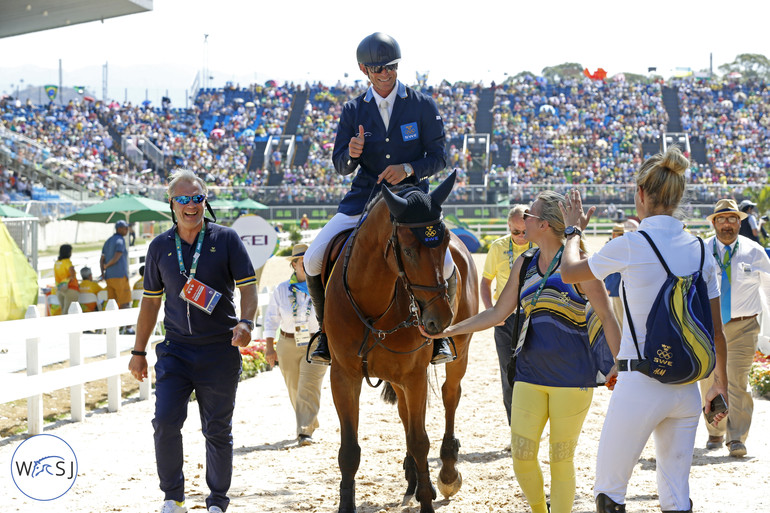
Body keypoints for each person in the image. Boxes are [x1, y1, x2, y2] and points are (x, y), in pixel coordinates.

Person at [422, 191, 620, 513]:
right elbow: (498, 313)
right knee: (522, 456)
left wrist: (618, 364)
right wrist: (448, 330)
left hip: (573, 380)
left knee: (561, 459)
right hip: (529, 374)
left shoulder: (581, 265)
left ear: (542, 224)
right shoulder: (524, 263)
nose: (523, 218)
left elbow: (609, 318)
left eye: (529, 214)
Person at [558, 146, 728, 513]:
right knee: (675, 495)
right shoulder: (701, 250)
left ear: (641, 195)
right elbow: (716, 331)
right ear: (679, 196)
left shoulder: (632, 244)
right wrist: (718, 385)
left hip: (641, 383)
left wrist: (573, 232)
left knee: (610, 492)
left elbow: (570, 272)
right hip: (685, 388)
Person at [303, 31, 453, 366]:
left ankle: (441, 338)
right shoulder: (353, 110)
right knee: (313, 258)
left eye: (391, 67)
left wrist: (409, 167)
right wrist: (352, 154)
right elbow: (340, 164)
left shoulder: (421, 104)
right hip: (364, 199)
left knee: (445, 262)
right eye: (379, 68)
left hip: (412, 202)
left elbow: (439, 157)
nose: (386, 73)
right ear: (364, 69)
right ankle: (326, 335)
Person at [128, 169, 258, 513]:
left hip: (219, 350)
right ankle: (173, 496)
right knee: (165, 422)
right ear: (171, 203)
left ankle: (217, 501)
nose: (191, 205)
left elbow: (248, 288)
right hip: (176, 351)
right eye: (183, 199)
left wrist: (246, 323)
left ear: (205, 201)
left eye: (197, 198)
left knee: (216, 430)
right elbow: (151, 302)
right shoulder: (159, 247)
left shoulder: (227, 239)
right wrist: (138, 352)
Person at [700, 198, 770, 458]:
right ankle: (715, 431)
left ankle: (737, 437)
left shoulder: (755, 250)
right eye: (721, 219)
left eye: (732, 219)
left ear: (739, 222)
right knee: (708, 380)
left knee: (738, 381)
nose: (727, 224)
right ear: (714, 223)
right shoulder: (702, 250)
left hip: (743, 326)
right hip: (708, 327)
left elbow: (768, 287)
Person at [263, 244, 328, 446]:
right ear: (293, 264)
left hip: (315, 342)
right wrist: (269, 347)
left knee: (308, 386)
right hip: (287, 342)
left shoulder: (322, 287)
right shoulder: (281, 290)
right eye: (302, 262)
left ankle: (304, 432)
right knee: (294, 389)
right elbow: (271, 319)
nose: (307, 266)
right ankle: (308, 422)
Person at [479, 204, 534, 425]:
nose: (521, 237)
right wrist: (491, 311)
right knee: (508, 373)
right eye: (515, 232)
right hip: (505, 319)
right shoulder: (498, 247)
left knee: (532, 372)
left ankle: (532, 426)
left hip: (533, 317)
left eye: (525, 232)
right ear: (508, 227)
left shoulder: (540, 245)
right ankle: (515, 427)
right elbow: (485, 282)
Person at [100, 219, 131, 309]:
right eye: (125, 228)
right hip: (120, 276)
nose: (127, 230)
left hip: (109, 277)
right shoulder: (120, 240)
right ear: (119, 229)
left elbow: (101, 259)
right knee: (124, 303)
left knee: (112, 304)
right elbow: (117, 257)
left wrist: (103, 272)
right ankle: (126, 323)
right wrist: (107, 265)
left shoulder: (108, 241)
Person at [602, 224, 625, 326]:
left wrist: (607, 285)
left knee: (620, 316)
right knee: (619, 315)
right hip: (620, 287)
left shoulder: (612, 247)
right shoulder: (624, 246)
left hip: (616, 287)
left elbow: (610, 270)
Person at [54, 244, 79, 315]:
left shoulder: (57, 263)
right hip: (70, 289)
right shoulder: (67, 262)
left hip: (59, 289)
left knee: (63, 310)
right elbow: (72, 274)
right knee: (68, 312)